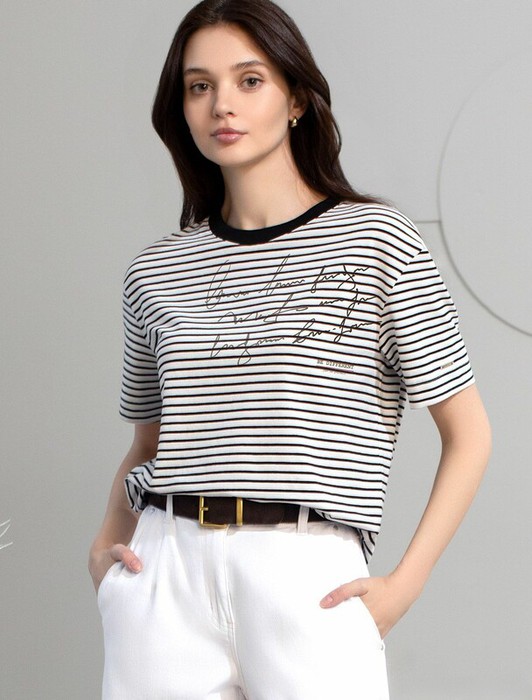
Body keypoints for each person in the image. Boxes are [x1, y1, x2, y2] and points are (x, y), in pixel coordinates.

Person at [88, 1, 491, 698]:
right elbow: (148, 444)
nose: (222, 104)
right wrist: (105, 548)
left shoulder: (379, 243)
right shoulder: (155, 271)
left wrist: (403, 586)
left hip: (307, 576)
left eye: (249, 80)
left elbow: (470, 434)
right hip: (164, 573)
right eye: (199, 85)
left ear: (297, 99)